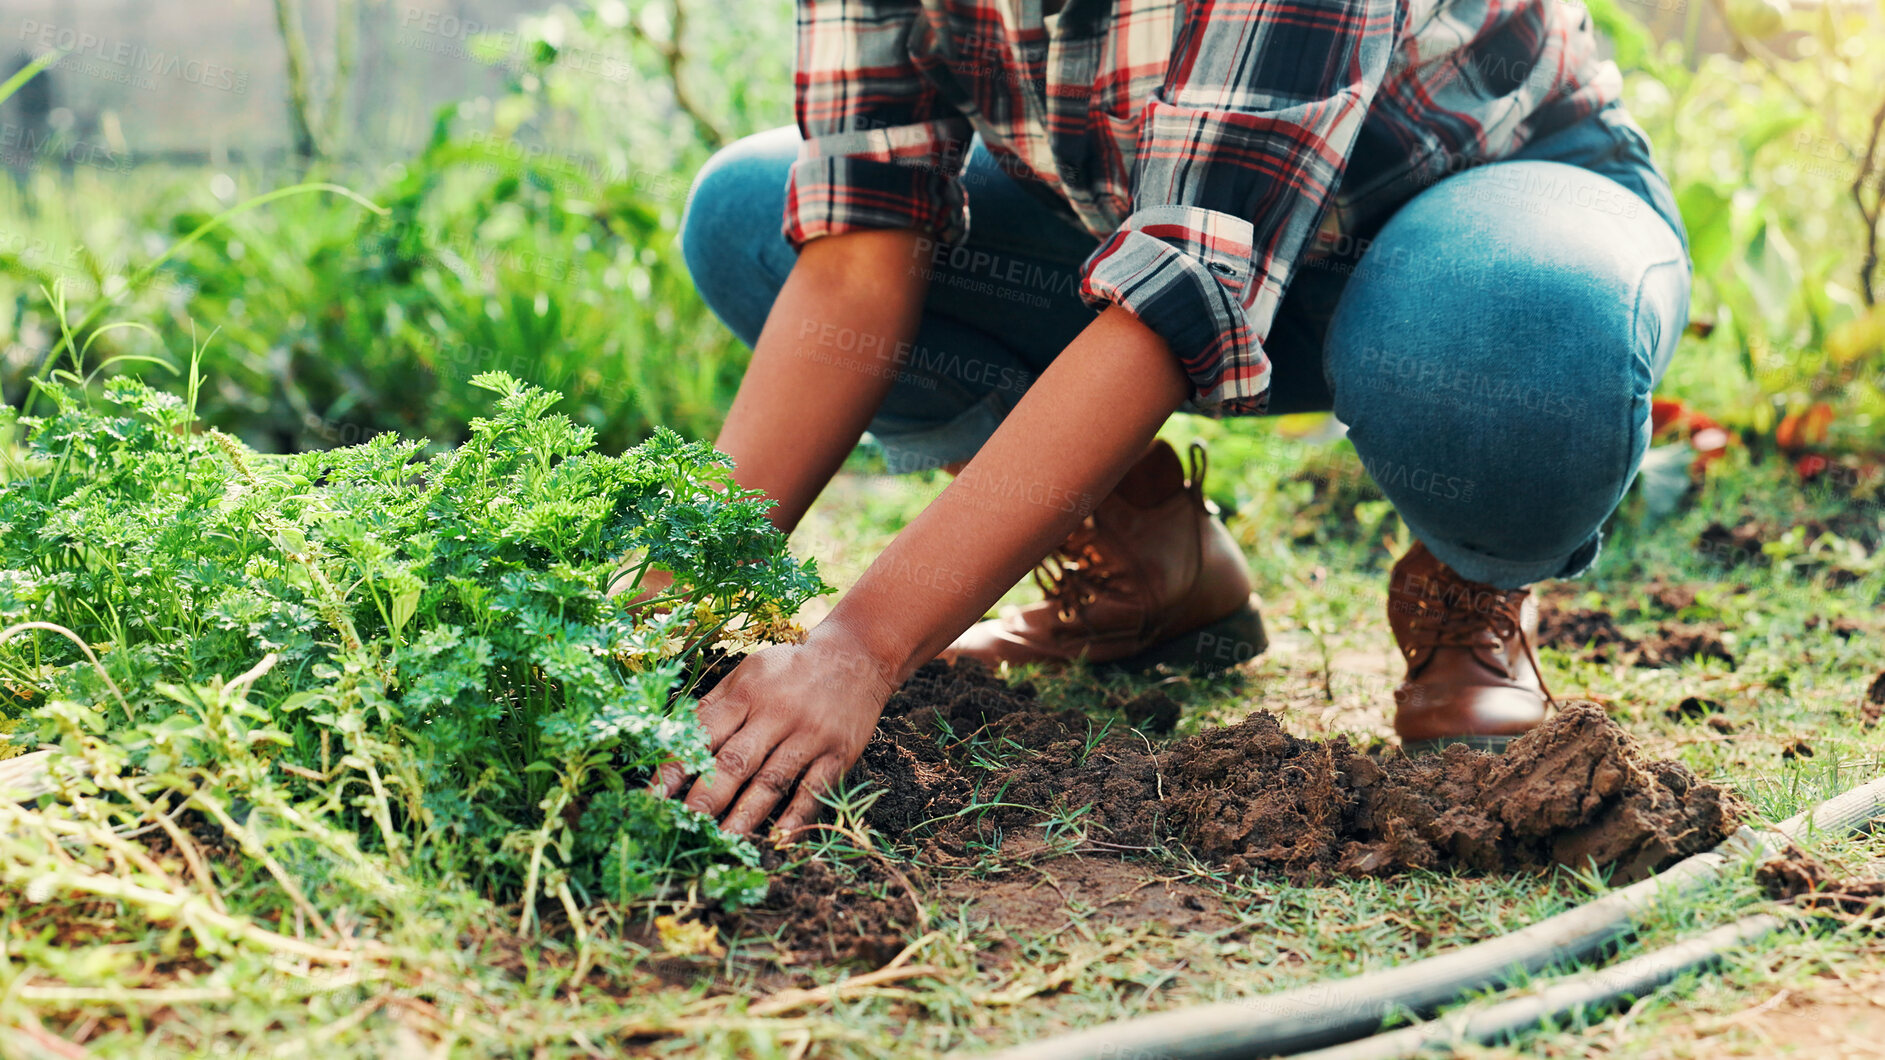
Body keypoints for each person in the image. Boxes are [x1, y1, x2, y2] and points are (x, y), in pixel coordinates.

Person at [648, 0, 1691, 839]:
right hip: (1143, 219)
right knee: (756, 215)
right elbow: (865, 237)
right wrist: (665, 590)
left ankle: (1471, 584)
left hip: (1463, 227)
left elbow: (1184, 286)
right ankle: (1139, 550)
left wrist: (856, 650)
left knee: (1521, 327)